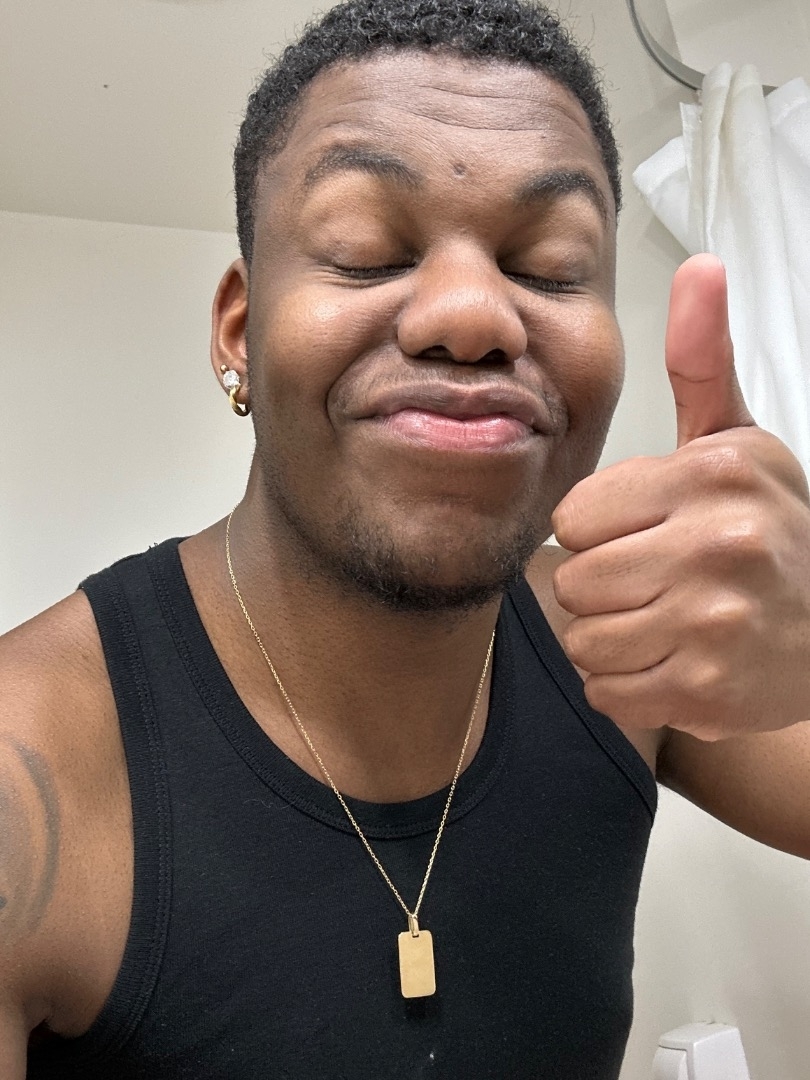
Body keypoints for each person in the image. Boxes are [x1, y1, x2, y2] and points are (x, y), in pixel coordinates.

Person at [4, 0, 810, 1076]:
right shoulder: (31, 768)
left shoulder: (624, 642)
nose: (472, 315)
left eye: (553, 265)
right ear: (239, 329)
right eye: (365, 252)